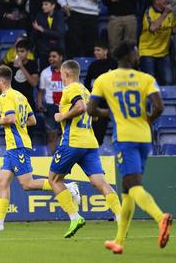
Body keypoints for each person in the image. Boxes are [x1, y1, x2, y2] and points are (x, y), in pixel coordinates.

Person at [88, 42, 172, 254]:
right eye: (135, 51)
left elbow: (91, 110)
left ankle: (160, 217)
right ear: (128, 56)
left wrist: (111, 113)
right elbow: (159, 107)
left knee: (134, 185)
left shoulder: (104, 79)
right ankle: (119, 241)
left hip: (125, 139)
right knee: (127, 192)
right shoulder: (146, 79)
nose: (138, 54)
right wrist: (148, 120)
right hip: (144, 137)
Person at [0, 65, 76, 232]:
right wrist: (16, 123)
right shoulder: (20, 96)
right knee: (2, 181)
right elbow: (32, 121)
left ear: (1, 81)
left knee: (27, 184)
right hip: (13, 147)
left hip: (18, 146)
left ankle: (68, 187)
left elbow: (10, 118)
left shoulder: (5, 96)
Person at [47, 59, 122, 238]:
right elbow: (93, 115)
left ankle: (75, 217)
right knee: (101, 183)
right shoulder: (86, 91)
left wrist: (62, 116)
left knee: (54, 180)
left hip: (73, 141)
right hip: (90, 142)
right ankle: (121, 219)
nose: (61, 78)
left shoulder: (71, 89)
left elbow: (80, 108)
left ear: (66, 74)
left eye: (61, 74)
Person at [37, 48, 64, 153]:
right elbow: (40, 91)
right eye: (50, 57)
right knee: (52, 136)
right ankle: (51, 159)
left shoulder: (68, 72)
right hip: (51, 108)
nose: (51, 59)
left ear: (61, 58)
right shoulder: (45, 73)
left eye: (54, 56)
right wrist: (40, 105)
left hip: (66, 107)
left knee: (66, 136)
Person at [32, 0, 65, 69]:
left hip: (58, 49)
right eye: (42, 5)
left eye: (46, 4)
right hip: (44, 50)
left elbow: (59, 34)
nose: (43, 7)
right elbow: (36, 34)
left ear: (53, 6)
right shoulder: (39, 16)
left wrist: (43, 30)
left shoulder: (59, 15)